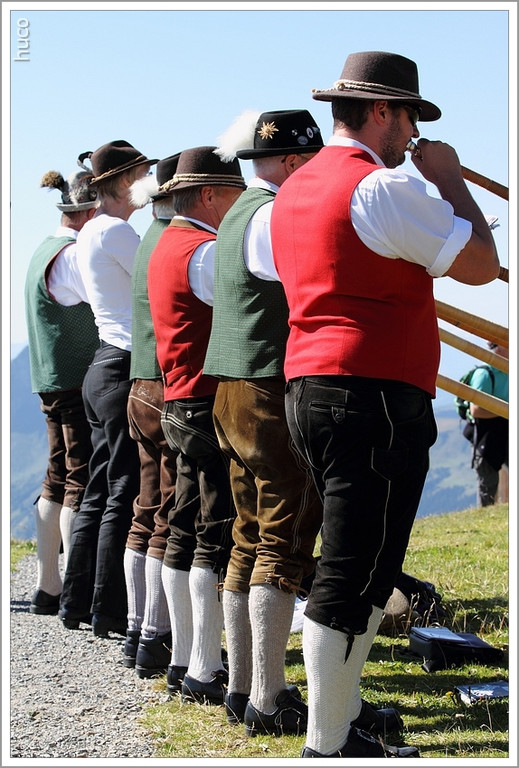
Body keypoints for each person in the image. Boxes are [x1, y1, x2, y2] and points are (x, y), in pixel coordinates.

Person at [270, 51, 500, 759]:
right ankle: (329, 743)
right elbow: (480, 265)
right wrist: (448, 180)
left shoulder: (296, 188)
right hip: (369, 394)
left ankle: (341, 720)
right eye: (410, 118)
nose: (413, 135)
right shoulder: (380, 186)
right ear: (381, 111)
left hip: (312, 386)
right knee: (355, 570)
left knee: (362, 564)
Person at [147, 147, 245, 704]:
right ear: (209, 195)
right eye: (234, 194)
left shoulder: (169, 242)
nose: (239, 205)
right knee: (214, 530)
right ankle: (205, 668)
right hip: (206, 399)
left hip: (180, 396)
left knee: (185, 528)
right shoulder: (204, 252)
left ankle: (184, 659)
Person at [58, 140, 157, 638]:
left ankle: (76, 600)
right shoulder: (118, 231)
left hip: (103, 364)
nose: (148, 182)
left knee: (100, 487)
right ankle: (109, 608)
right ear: (122, 182)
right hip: (124, 366)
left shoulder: (91, 231)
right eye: (141, 174)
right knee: (124, 488)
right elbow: (154, 280)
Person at [24, 168, 99, 615]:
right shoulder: (71, 256)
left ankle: (48, 587)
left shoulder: (44, 249)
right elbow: (107, 298)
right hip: (74, 378)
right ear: (89, 212)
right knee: (79, 479)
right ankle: (76, 590)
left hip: (51, 378)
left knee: (57, 476)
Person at [122, 154, 181, 678]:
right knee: (169, 515)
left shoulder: (147, 238)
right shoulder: (176, 240)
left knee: (146, 512)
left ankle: (138, 629)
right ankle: (158, 637)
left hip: (140, 383)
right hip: (167, 387)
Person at [468, 341, 509, 507]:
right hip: (487, 436)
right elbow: (475, 410)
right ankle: (485, 516)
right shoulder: (484, 374)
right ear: (498, 349)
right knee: (488, 485)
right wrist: (507, 412)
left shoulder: (509, 371)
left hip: (506, 432)